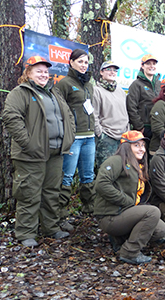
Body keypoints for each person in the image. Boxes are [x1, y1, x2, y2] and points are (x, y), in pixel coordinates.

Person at [2, 56, 75, 247]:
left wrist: (70, 137)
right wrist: (29, 143)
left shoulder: (54, 93)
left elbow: (67, 115)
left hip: (55, 152)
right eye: (38, 71)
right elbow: (11, 117)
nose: (44, 74)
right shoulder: (20, 93)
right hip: (30, 154)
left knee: (52, 192)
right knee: (29, 193)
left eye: (45, 71)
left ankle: (50, 228)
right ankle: (26, 233)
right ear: (28, 73)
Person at [95, 131, 165, 264]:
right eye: (136, 145)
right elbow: (101, 184)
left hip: (125, 212)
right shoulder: (116, 160)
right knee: (152, 212)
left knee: (160, 230)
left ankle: (120, 240)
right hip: (111, 216)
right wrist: (126, 201)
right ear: (126, 147)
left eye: (143, 145)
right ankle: (129, 252)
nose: (142, 149)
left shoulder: (139, 165)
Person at [56, 49, 96, 230]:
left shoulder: (88, 84)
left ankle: (90, 209)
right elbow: (59, 111)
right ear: (71, 62)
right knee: (67, 176)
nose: (83, 65)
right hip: (74, 138)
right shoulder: (64, 84)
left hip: (90, 137)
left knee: (88, 175)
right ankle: (61, 215)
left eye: (86, 62)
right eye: (80, 61)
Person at [93, 61, 130, 168]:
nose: (112, 72)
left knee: (122, 169)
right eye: (108, 69)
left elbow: (125, 112)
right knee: (106, 170)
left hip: (123, 137)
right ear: (101, 72)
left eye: (114, 70)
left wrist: (127, 130)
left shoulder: (121, 91)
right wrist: (100, 134)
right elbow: (94, 115)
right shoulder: (97, 90)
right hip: (107, 137)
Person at [127, 54, 161, 140]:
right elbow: (131, 107)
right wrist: (139, 127)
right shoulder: (136, 84)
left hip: (158, 127)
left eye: (154, 63)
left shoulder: (159, 84)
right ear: (142, 66)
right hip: (144, 128)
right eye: (148, 63)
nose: (151, 66)